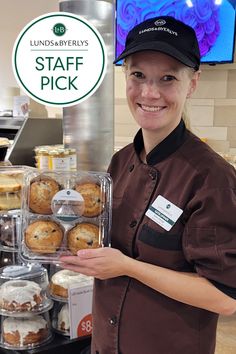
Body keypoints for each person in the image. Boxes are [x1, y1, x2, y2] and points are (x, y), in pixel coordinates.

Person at [60, 16, 236, 354]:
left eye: (168, 78)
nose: (150, 93)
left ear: (193, 83)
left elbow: (225, 297)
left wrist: (127, 267)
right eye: (138, 75)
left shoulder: (211, 178)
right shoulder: (121, 160)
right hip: (107, 343)